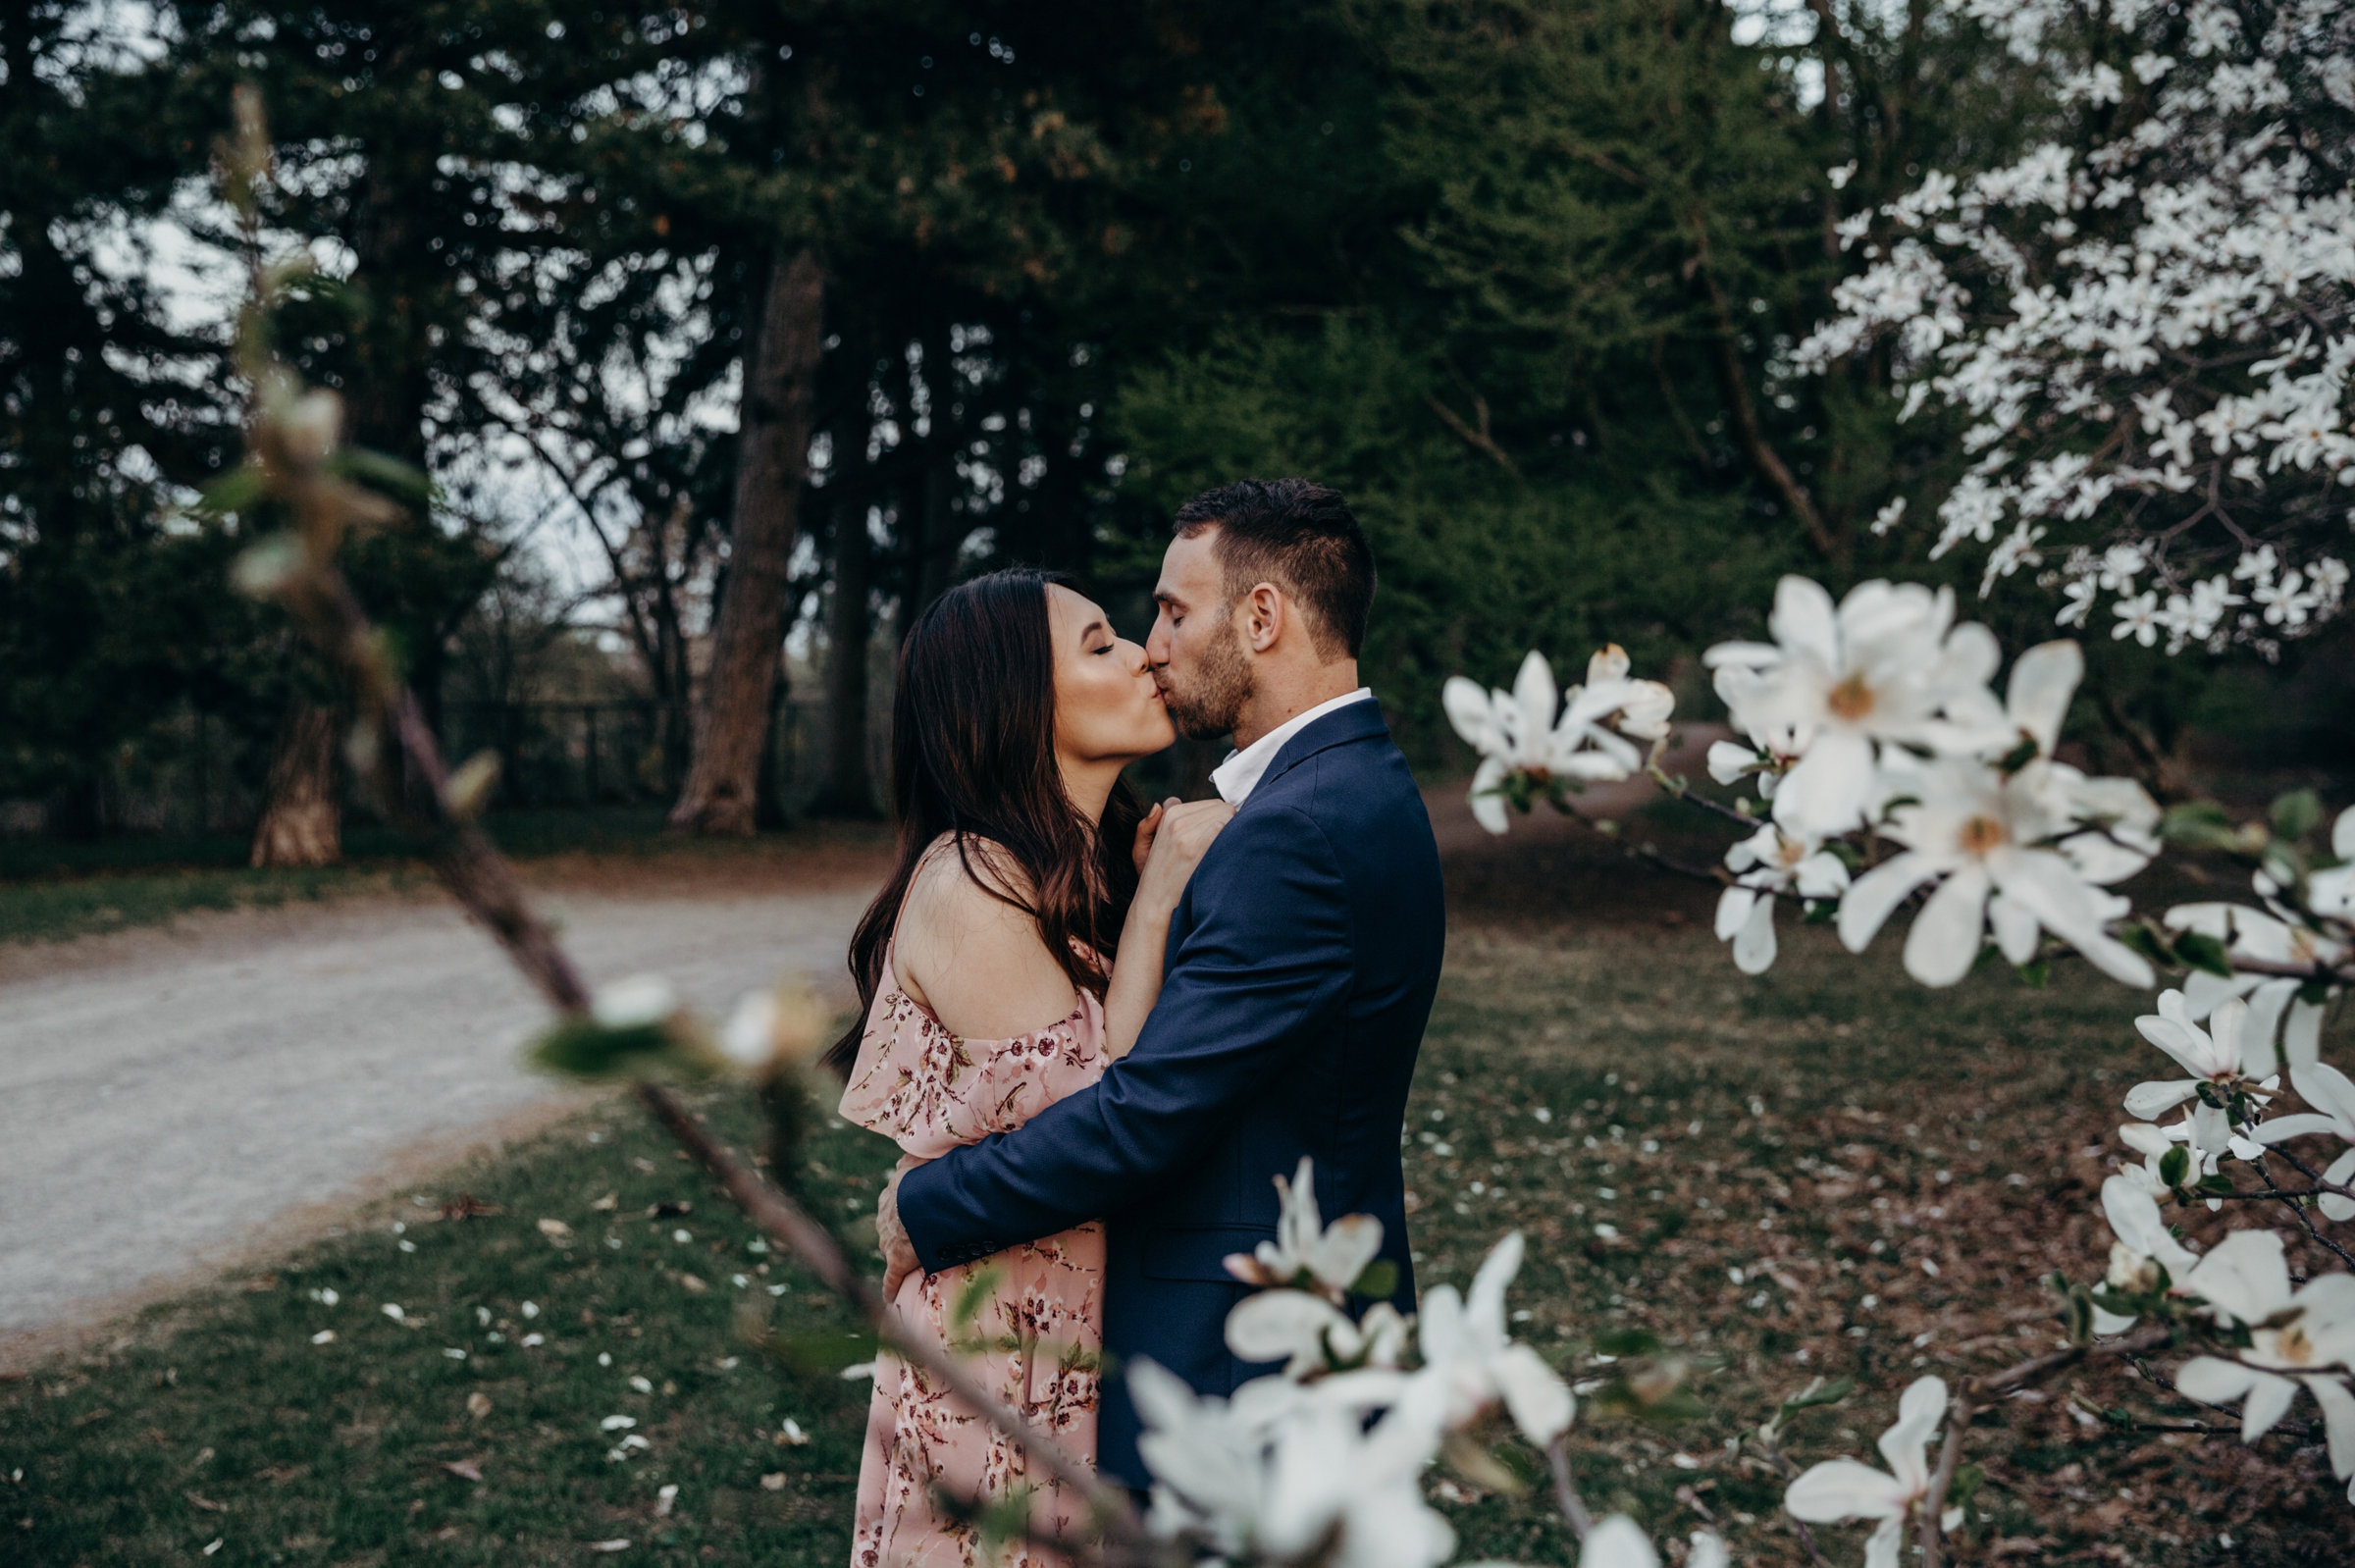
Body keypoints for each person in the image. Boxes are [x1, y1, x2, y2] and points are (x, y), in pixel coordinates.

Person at [874, 479, 1448, 1496]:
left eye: (1175, 611)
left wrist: (926, 1204)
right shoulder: (1334, 792)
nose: (1154, 644)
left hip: (1241, 1356)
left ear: (1262, 616)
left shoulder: (1298, 827)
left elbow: (1141, 1114)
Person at [831, 566, 1233, 1568]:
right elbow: (1101, 1128)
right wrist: (1155, 906)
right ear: (1018, 703)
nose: (1143, 652)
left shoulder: (1069, 866)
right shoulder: (976, 882)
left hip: (1071, 1339)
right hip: (1001, 1358)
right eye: (1099, 644)